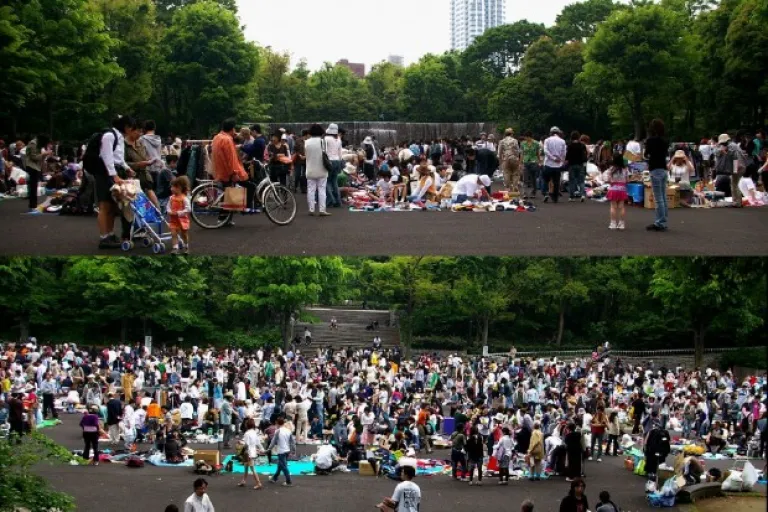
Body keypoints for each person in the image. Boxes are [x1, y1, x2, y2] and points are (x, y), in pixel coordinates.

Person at [84, 116, 131, 249]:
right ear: (126, 126)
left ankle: (110, 234)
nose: (131, 130)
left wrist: (127, 168)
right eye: (131, 127)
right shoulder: (109, 136)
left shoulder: (119, 137)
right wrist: (114, 175)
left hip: (112, 172)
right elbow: (107, 157)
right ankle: (104, 237)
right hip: (104, 173)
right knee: (104, 206)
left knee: (112, 206)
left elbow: (119, 158)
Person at [212, 119, 255, 216]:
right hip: (229, 172)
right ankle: (245, 209)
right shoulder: (227, 140)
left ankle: (224, 218)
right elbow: (230, 159)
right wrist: (234, 173)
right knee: (251, 186)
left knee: (228, 193)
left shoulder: (217, 137)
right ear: (232, 129)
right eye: (234, 129)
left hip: (220, 170)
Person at [645, 119, 670, 231]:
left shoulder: (650, 140)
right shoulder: (665, 140)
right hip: (663, 168)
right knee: (663, 196)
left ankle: (659, 222)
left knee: (658, 198)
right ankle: (663, 221)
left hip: (655, 169)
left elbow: (646, 154)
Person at [305, 124, 331, 217]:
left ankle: (311, 209)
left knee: (310, 189)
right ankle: (322, 210)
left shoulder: (306, 142)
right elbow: (326, 154)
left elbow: (306, 154)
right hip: (322, 169)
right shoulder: (323, 142)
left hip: (310, 169)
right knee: (322, 189)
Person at [23, 134, 51, 213]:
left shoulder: (37, 144)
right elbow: (34, 157)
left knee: (34, 187)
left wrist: (45, 154)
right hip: (31, 166)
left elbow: (40, 158)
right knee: (33, 188)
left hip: (35, 167)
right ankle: (32, 206)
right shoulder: (33, 143)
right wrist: (44, 154)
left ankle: (33, 206)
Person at [167, 176, 191, 255]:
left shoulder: (184, 198)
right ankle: (175, 248)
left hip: (183, 220)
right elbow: (168, 206)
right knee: (173, 233)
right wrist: (169, 211)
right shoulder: (171, 198)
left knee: (184, 234)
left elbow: (188, 209)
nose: (171, 189)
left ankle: (186, 246)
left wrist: (179, 213)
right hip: (173, 220)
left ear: (179, 188)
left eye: (173, 187)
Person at [267, 416, 295, 486]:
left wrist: (269, 449)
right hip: (287, 450)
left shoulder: (278, 431)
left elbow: (273, 441)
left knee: (284, 466)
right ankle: (274, 478)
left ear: (277, 423)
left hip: (281, 451)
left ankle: (288, 481)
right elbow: (292, 442)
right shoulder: (288, 430)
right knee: (280, 465)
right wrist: (293, 450)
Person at [238, 418, 264, 489]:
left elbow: (246, 444)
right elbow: (258, 442)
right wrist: (262, 449)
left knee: (252, 468)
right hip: (253, 452)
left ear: (247, 425)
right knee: (246, 467)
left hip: (248, 453)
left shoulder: (247, 433)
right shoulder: (254, 432)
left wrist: (241, 443)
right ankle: (243, 481)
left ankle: (258, 483)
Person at [606, 152, 628, 230]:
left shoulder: (611, 169)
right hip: (622, 189)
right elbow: (627, 180)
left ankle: (613, 224)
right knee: (621, 207)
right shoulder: (625, 169)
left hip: (613, 189)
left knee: (613, 207)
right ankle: (622, 224)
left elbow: (608, 180)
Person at [543, 127, 566, 203]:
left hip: (548, 164)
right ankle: (555, 198)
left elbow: (545, 151)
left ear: (550, 133)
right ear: (558, 133)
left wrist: (553, 158)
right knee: (556, 182)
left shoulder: (547, 140)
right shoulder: (562, 141)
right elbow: (564, 153)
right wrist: (560, 160)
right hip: (557, 165)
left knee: (546, 180)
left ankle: (545, 192)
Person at [566, 131, 588, 202]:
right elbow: (585, 156)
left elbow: (567, 156)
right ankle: (582, 195)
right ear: (578, 137)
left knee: (572, 181)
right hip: (580, 165)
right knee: (581, 181)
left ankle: (572, 197)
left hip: (571, 165)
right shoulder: (582, 145)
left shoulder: (569, 145)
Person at [498, 128, 522, 194]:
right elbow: (518, 151)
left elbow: (499, 153)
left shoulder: (501, 141)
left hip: (506, 159)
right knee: (515, 174)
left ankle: (508, 188)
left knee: (506, 173)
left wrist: (500, 163)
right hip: (514, 159)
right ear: (511, 134)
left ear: (505, 134)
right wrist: (519, 161)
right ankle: (515, 187)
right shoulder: (515, 141)